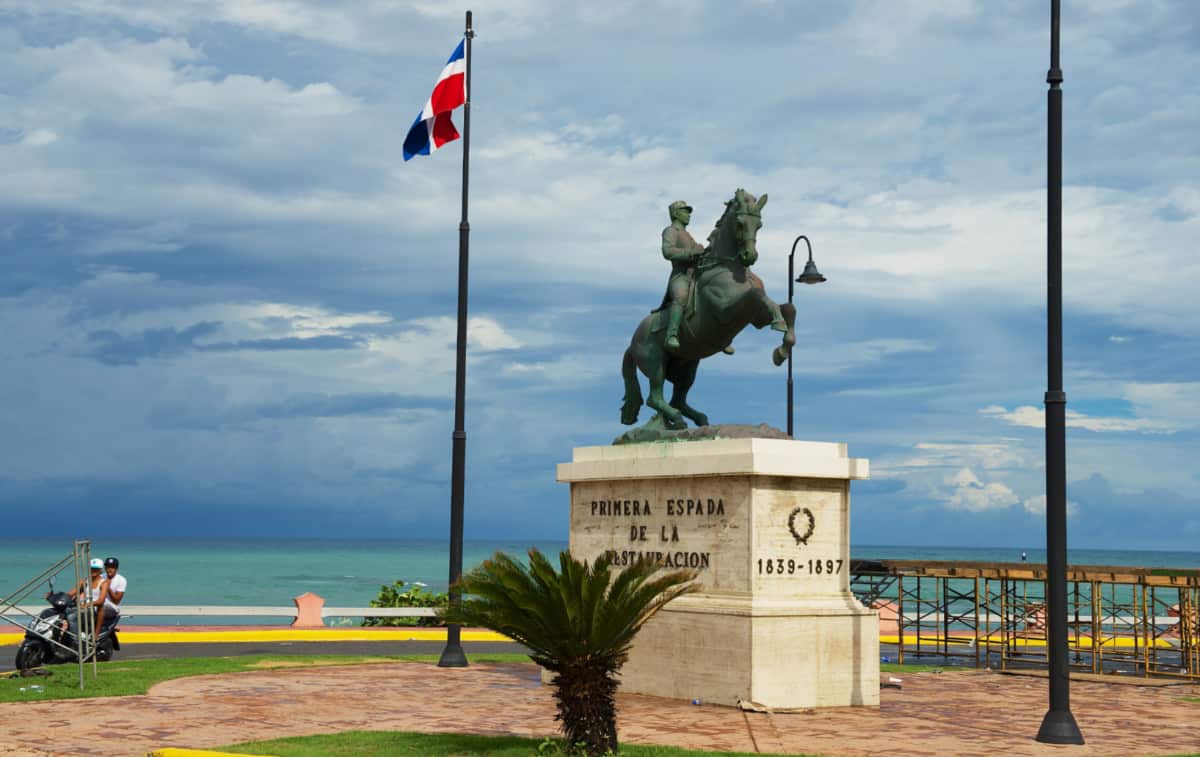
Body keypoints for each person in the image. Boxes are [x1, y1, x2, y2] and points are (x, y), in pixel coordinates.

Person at [658, 201, 734, 355]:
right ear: (675, 213)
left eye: (688, 212)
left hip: (696, 274)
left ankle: (721, 338)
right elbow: (668, 252)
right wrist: (692, 252)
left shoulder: (687, 234)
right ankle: (672, 334)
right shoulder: (671, 231)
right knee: (680, 296)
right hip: (681, 275)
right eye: (685, 211)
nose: (688, 215)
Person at [95, 556, 126, 637]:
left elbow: (117, 601)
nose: (110, 569)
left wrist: (107, 587)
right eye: (108, 567)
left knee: (101, 605)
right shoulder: (101, 577)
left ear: (116, 568)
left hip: (112, 607)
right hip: (98, 604)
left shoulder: (121, 580)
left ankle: (96, 634)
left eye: (112, 567)